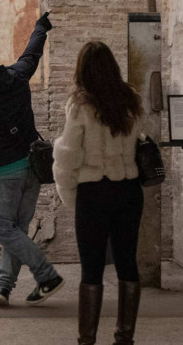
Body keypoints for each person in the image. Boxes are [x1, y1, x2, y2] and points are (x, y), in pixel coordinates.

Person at [0, 12, 64, 307]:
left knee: (1, 227)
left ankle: (46, 274)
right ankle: (3, 287)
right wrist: (40, 26)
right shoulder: (17, 76)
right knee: (17, 230)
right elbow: (32, 53)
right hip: (34, 167)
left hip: (5, 172)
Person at [52, 41, 144, 345]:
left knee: (91, 269)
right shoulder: (131, 100)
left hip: (93, 193)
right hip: (129, 190)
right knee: (127, 264)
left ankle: (87, 340)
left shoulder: (80, 107)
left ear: (83, 70)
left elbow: (68, 157)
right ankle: (124, 338)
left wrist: (70, 196)